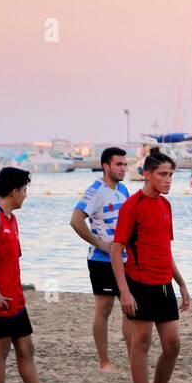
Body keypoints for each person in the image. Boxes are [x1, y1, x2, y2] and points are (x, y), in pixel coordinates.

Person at [110, 148, 189, 383]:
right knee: (141, 344)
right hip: (139, 284)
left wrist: (181, 283)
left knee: (173, 345)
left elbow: (164, 250)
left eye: (171, 175)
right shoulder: (133, 206)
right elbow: (115, 250)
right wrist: (124, 292)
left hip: (164, 284)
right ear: (147, 175)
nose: (168, 180)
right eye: (163, 174)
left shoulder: (165, 205)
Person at [0, 167, 59, 383]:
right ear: (13, 191)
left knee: (26, 349)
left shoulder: (12, 219)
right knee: (0, 350)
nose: (26, 195)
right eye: (24, 190)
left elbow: (8, 260)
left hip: (16, 300)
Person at [69, 147, 130, 371]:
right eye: (119, 165)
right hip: (101, 261)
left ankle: (134, 359)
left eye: (125, 164)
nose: (123, 169)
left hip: (125, 260)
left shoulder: (123, 189)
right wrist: (100, 244)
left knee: (130, 308)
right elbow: (76, 220)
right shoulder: (96, 190)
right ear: (106, 166)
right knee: (104, 310)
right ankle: (104, 362)